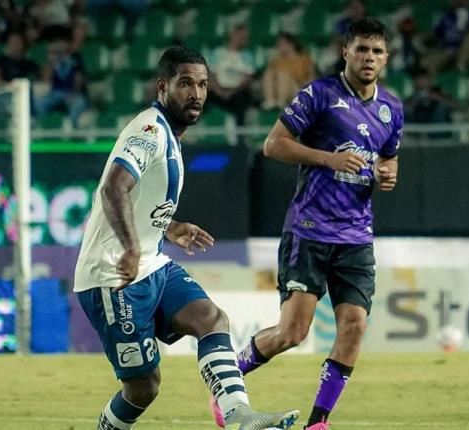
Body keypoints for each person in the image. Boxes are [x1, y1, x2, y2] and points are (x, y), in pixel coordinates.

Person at [73, 46, 299, 430]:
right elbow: (114, 188)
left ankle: (239, 415)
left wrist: (170, 226)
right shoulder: (148, 130)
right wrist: (129, 246)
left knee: (211, 319)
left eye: (203, 84)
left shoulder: (168, 134)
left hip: (152, 263)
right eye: (185, 84)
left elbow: (139, 196)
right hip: (112, 277)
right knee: (144, 388)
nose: (196, 94)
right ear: (163, 87)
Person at [210, 18, 402, 430]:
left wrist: (388, 174)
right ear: (346, 52)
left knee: (355, 324)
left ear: (386, 58)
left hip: (356, 235)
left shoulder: (391, 109)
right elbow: (272, 144)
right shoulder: (319, 95)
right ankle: (229, 382)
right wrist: (329, 158)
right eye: (361, 49)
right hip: (310, 230)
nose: (369, 58)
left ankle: (319, 422)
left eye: (377, 51)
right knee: (292, 332)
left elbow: (388, 158)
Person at [208, 23, 256, 126]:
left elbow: (247, 79)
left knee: (243, 99)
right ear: (233, 35)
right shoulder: (218, 53)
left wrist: (232, 92)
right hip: (218, 90)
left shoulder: (248, 56)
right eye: (241, 36)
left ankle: (239, 137)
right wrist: (219, 90)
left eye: (246, 37)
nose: (244, 39)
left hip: (237, 92)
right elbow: (211, 75)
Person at [261, 32, 316, 109]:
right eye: (278, 45)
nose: (279, 47)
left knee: (283, 75)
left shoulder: (304, 59)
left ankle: (281, 101)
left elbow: (312, 80)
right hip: (276, 89)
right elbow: (268, 78)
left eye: (281, 44)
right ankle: (270, 101)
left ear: (291, 44)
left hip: (296, 88)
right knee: (269, 73)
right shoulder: (276, 60)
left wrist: (302, 83)